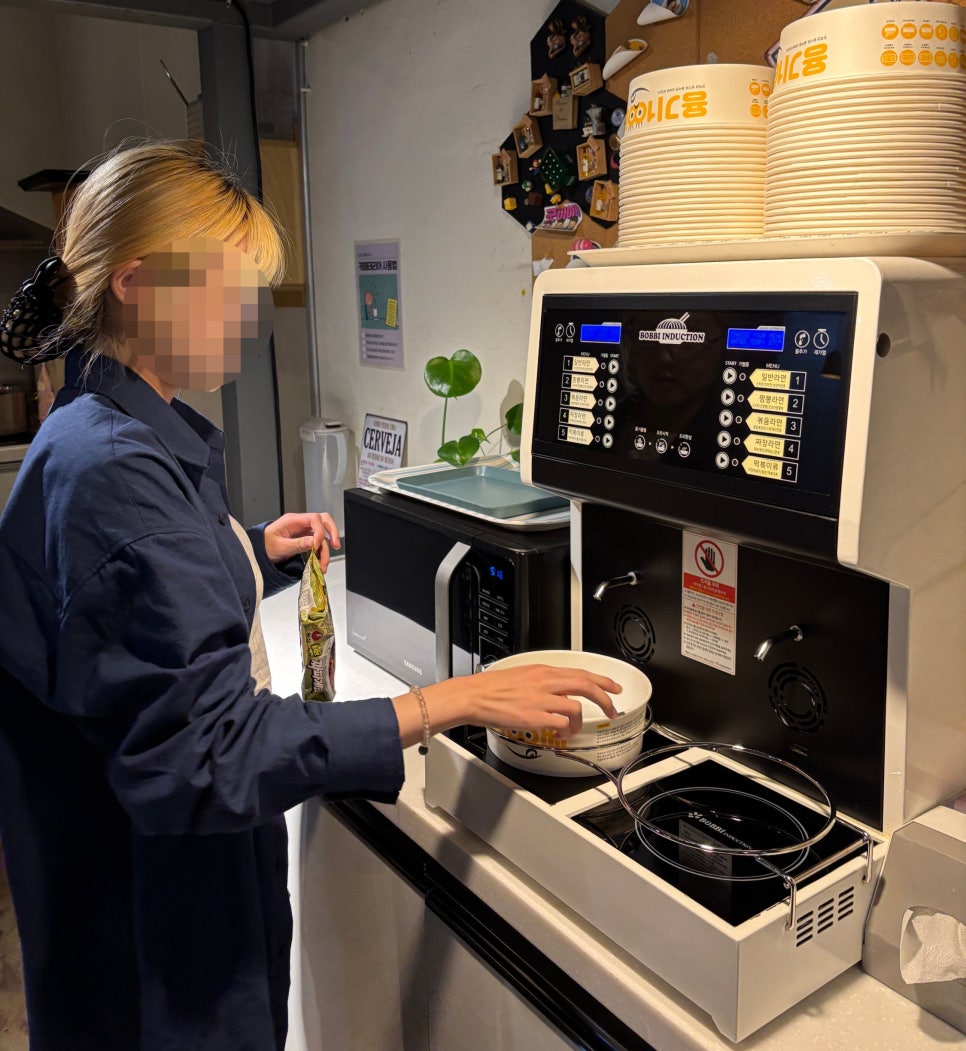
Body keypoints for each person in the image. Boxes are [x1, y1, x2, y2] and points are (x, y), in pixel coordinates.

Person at [0, 140, 620, 1051]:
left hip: (110, 880)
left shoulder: (93, 424)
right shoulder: (116, 471)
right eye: (228, 288)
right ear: (133, 284)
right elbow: (208, 754)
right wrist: (450, 700)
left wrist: (247, 547)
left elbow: (117, 610)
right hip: (155, 937)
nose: (247, 317)